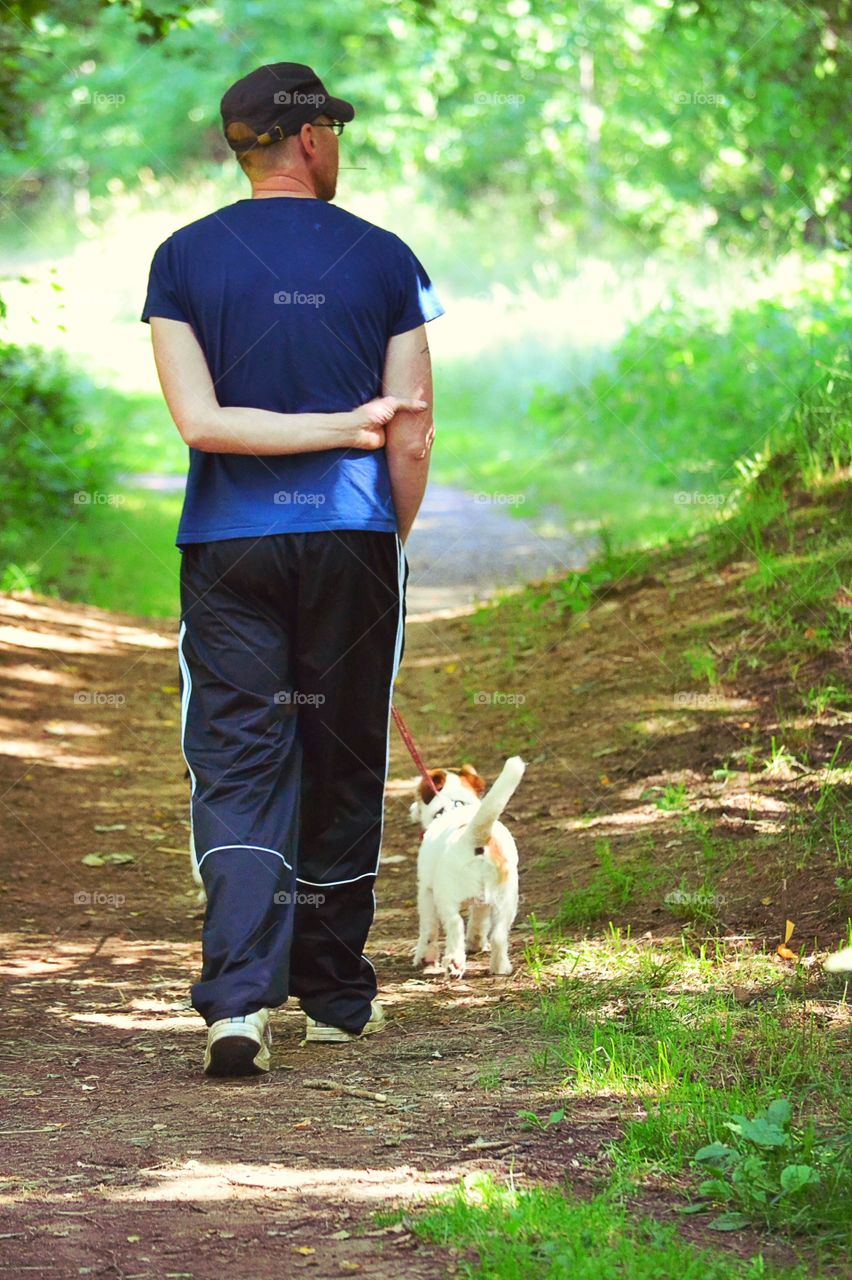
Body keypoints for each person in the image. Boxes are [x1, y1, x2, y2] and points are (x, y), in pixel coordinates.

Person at [140, 61, 444, 1076]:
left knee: (236, 761)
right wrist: (384, 535)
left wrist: (318, 435)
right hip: (353, 540)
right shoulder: (387, 259)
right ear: (312, 141)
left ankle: (235, 1003)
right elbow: (410, 432)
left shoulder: (181, 259)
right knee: (344, 750)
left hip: (229, 547)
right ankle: (338, 995)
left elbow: (201, 423)